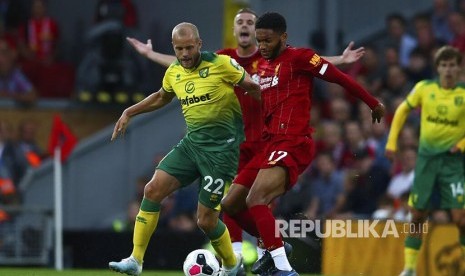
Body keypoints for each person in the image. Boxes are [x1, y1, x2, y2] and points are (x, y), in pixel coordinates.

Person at [126, 8, 365, 267]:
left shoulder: (271, 58)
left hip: (267, 140)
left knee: (260, 201)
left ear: (256, 30)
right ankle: (239, 257)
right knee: (231, 200)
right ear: (234, 29)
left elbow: (308, 62)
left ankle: (270, 254)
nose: (244, 26)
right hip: (236, 141)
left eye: (250, 22)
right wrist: (150, 54)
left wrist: (340, 60)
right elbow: (185, 63)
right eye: (240, 21)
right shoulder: (224, 59)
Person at [217, 12, 385, 276]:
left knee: (256, 199)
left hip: (294, 142)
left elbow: (339, 78)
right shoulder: (262, 66)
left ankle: (285, 269)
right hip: (268, 145)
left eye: (268, 40)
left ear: (283, 37)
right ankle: (276, 245)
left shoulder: (301, 58)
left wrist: (372, 102)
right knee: (230, 205)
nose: (262, 46)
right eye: (259, 41)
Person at [108, 22, 261, 276]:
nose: (185, 54)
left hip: (221, 153)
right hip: (191, 146)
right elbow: (161, 96)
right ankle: (136, 261)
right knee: (152, 189)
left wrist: (272, 124)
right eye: (180, 49)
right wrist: (129, 111)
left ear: (199, 44)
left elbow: (254, 89)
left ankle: (233, 266)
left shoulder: (221, 64)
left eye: (190, 47)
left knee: (205, 220)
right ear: (174, 48)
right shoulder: (174, 72)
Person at [385, 45, 465, 276]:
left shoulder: (463, 94)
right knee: (417, 214)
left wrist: (461, 145)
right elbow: (401, 111)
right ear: (438, 67)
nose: (448, 69)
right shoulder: (424, 88)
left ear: (458, 68)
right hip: (427, 161)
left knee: (460, 219)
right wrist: (392, 143)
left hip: (453, 163)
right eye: (444, 65)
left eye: (452, 65)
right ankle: (410, 268)